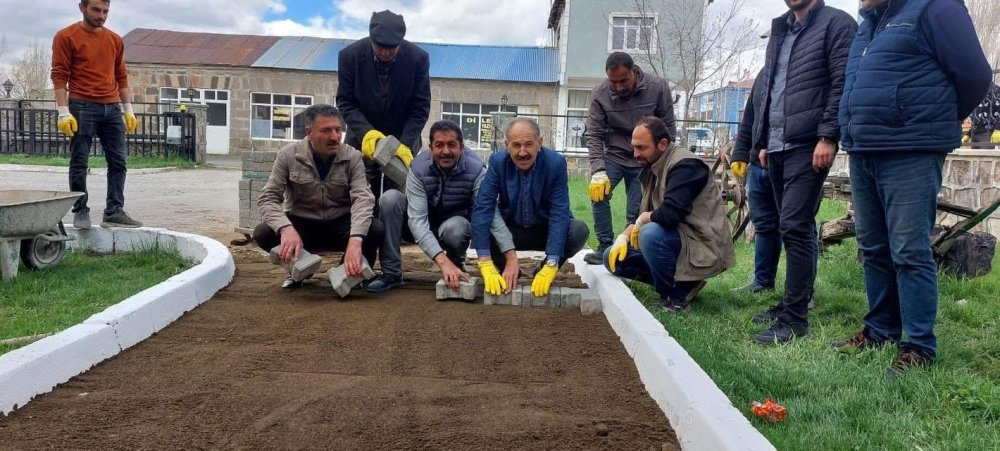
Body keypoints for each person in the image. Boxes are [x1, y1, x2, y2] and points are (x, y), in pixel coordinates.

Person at [834, 0, 991, 376]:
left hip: (911, 150)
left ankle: (919, 345)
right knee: (872, 247)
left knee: (909, 250)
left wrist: (929, 116)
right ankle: (880, 329)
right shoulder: (870, 21)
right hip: (864, 147)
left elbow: (975, 74)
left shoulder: (935, 7)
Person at [740, 0, 856, 344]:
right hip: (775, 146)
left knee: (794, 225)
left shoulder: (837, 24)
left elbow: (841, 83)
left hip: (808, 144)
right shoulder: (781, 28)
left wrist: (828, 135)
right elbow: (768, 91)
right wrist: (761, 140)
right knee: (790, 226)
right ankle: (793, 301)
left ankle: (794, 319)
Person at [366, 120, 515, 293]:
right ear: (431, 147)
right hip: (420, 224)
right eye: (439, 145)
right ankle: (391, 273)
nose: (445, 151)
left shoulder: (477, 170)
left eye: (452, 145)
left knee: (456, 227)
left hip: (454, 228)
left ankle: (456, 262)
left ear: (461, 147)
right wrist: (442, 263)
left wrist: (509, 258)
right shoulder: (418, 168)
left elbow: (488, 213)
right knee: (389, 199)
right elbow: (417, 221)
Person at [603, 117, 735, 311]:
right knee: (611, 258)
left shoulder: (686, 165)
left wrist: (642, 221)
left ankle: (675, 297)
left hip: (701, 244)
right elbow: (645, 211)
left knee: (649, 234)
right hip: (678, 240)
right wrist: (624, 235)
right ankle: (685, 283)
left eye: (642, 148)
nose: (635, 154)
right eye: (634, 147)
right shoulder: (652, 165)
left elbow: (671, 214)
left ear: (662, 144)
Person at [253, 104, 385, 289]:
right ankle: (300, 268)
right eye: (326, 130)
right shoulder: (288, 156)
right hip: (304, 226)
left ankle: (345, 273)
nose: (334, 137)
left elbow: (363, 199)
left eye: (338, 130)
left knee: (375, 229)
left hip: (340, 225)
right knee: (263, 232)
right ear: (309, 133)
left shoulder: (352, 156)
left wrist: (355, 240)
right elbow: (268, 198)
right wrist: (286, 229)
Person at [471, 118, 590, 297]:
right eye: (516, 145)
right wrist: (484, 261)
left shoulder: (556, 163)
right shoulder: (497, 162)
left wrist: (552, 262)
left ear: (539, 143)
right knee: (481, 224)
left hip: (544, 229)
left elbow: (559, 212)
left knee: (578, 230)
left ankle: (544, 269)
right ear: (506, 145)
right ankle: (509, 270)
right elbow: (483, 206)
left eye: (528, 144)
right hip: (511, 231)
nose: (522, 152)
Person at [51, 0, 142, 229]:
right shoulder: (66, 36)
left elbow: (121, 75)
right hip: (82, 106)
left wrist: (128, 110)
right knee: (80, 161)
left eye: (105, 11)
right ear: (82, 8)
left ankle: (114, 211)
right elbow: (59, 75)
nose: (101, 16)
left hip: (111, 108)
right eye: (96, 10)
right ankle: (80, 211)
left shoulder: (114, 40)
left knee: (119, 161)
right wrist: (63, 112)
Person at [583, 52, 676, 265]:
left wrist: (662, 162)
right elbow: (594, 133)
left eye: (623, 80)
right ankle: (605, 245)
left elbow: (668, 128)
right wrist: (598, 170)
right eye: (612, 82)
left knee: (639, 207)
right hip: (614, 155)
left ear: (635, 72)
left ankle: (631, 249)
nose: (618, 87)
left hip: (644, 159)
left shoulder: (657, 87)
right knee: (598, 194)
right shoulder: (600, 93)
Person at [336, 9, 431, 205]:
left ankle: (392, 235)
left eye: (392, 48)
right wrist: (369, 135)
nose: (386, 53)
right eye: (380, 47)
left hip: (402, 140)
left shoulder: (418, 59)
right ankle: (362, 234)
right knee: (361, 196)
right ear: (371, 39)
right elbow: (345, 102)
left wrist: (403, 143)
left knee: (394, 198)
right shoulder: (349, 56)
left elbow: (420, 106)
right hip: (363, 139)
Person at [965, 82, 1000, 149]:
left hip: (987, 132)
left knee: (986, 157)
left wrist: (998, 129)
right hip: (975, 133)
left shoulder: (996, 90)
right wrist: (969, 134)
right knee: (974, 158)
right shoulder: (977, 91)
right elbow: (977, 116)